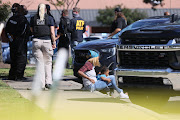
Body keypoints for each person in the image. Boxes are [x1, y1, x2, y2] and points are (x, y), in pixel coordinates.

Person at [30, 3, 56, 89]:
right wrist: (54, 42)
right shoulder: (49, 18)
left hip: (36, 41)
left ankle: (41, 84)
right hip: (47, 41)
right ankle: (48, 82)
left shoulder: (33, 18)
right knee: (48, 62)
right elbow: (52, 32)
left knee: (40, 63)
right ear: (45, 10)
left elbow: (31, 30)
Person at [5, 3, 30, 81]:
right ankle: (19, 75)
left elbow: (7, 30)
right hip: (20, 42)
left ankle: (12, 75)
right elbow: (24, 31)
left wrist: (11, 38)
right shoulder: (23, 19)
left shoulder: (11, 19)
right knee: (21, 59)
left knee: (14, 58)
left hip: (13, 42)